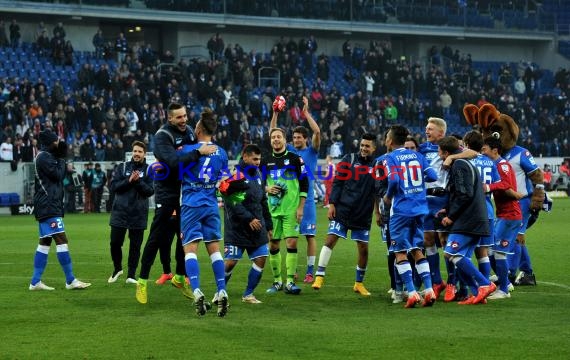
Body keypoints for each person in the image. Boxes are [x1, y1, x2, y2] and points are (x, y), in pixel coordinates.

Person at [135, 103, 216, 304]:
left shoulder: (188, 132)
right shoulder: (162, 136)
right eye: (179, 117)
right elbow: (173, 162)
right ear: (170, 118)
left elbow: (193, 155)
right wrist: (198, 153)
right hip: (167, 192)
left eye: (185, 116)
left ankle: (180, 278)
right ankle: (142, 281)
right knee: (156, 236)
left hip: (186, 192)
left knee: (186, 236)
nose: (184, 120)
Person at [178, 108, 229, 317]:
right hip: (211, 203)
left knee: (190, 250)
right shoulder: (222, 152)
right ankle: (221, 289)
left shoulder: (187, 150)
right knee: (215, 249)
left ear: (198, 128)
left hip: (191, 203)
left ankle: (197, 290)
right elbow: (224, 181)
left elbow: (174, 167)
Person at [312, 133, 377, 296]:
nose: (363, 148)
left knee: (363, 249)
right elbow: (338, 181)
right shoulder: (349, 159)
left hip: (363, 214)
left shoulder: (377, 165)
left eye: (367, 146)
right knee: (330, 240)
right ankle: (319, 276)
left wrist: (378, 212)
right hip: (343, 210)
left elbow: (377, 191)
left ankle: (358, 283)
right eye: (362, 145)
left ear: (374, 148)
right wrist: (332, 204)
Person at [382, 125, 438, 307]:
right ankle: (429, 290)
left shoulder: (390, 158)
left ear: (389, 141)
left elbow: (394, 180)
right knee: (416, 249)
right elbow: (433, 175)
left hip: (401, 210)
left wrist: (389, 196)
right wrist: (417, 183)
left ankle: (412, 292)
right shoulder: (418, 155)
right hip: (420, 208)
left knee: (399, 251)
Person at [29, 129, 91, 291]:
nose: (58, 143)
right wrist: (63, 160)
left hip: (50, 204)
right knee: (62, 240)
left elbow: (58, 174)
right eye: (56, 140)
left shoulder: (48, 157)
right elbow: (58, 175)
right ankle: (70, 280)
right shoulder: (43, 157)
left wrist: (61, 162)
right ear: (50, 142)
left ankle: (35, 282)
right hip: (48, 205)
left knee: (45, 242)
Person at [437, 136, 496, 305]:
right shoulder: (463, 163)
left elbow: (464, 194)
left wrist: (451, 216)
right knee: (458, 258)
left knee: (451, 254)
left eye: (440, 152)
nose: (439, 155)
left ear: (447, 152)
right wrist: (447, 209)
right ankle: (478, 292)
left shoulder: (459, 165)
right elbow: (463, 192)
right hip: (476, 218)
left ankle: (485, 284)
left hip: (469, 220)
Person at [270, 95, 321, 283]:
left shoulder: (312, 151)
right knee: (291, 237)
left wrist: (306, 113)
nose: (296, 140)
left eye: (299, 138)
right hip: (290, 198)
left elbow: (317, 133)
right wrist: (275, 114)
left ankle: (309, 271)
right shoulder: (290, 151)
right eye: (294, 138)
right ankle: (294, 270)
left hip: (307, 200)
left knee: (309, 235)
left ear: (305, 139)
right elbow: (273, 133)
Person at [219, 144, 273, 304]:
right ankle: (220, 291)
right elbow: (230, 201)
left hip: (257, 226)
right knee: (230, 263)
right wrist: (248, 218)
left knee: (261, 258)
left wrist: (268, 225)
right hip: (237, 228)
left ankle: (248, 294)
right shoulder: (235, 175)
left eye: (259, 159)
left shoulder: (258, 174)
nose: (257, 162)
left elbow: (263, 200)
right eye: (254, 159)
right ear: (245, 157)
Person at [262, 125, 308, 295]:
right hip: (272, 210)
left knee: (291, 242)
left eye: (278, 137)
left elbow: (305, 183)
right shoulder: (265, 161)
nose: (275, 139)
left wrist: (301, 208)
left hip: (291, 209)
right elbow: (259, 184)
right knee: (273, 243)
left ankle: (290, 282)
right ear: (270, 140)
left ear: (284, 140)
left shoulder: (296, 159)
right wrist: (267, 189)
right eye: (273, 137)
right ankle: (277, 281)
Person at [481, 136, 523, 299]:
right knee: (492, 249)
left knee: (498, 252)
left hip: (510, 215)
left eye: (485, 149)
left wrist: (488, 187)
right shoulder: (493, 164)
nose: (482, 152)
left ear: (495, 150)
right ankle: (501, 277)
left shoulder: (502, 164)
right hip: (503, 214)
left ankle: (504, 289)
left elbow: (506, 184)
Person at [108, 141, 154, 284]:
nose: (136, 154)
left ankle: (131, 275)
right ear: (131, 152)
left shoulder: (148, 170)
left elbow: (150, 191)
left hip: (138, 213)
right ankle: (117, 268)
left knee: (135, 246)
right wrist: (129, 181)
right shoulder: (122, 167)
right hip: (120, 212)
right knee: (115, 243)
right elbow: (114, 187)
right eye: (135, 151)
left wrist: (138, 181)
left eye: (140, 151)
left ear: (144, 154)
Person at [503, 133, 544, 286]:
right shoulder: (498, 153)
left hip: (523, 200)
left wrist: (538, 197)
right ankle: (527, 273)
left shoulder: (522, 153)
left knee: (515, 237)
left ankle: (510, 274)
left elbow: (537, 175)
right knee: (517, 237)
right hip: (507, 202)